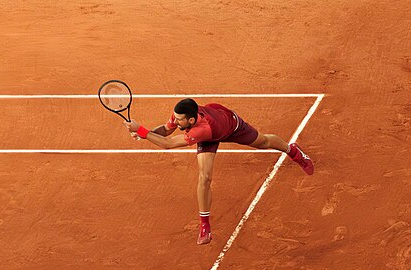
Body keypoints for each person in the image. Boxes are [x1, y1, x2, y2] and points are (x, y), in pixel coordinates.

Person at [125, 98, 314, 245]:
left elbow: (167, 144)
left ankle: (293, 151)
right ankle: (205, 226)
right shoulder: (183, 116)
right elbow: (166, 132)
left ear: (190, 119)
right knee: (204, 178)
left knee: (263, 142)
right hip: (210, 128)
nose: (176, 121)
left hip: (230, 126)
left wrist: (142, 131)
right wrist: (145, 133)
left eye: (179, 120)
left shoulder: (201, 129)